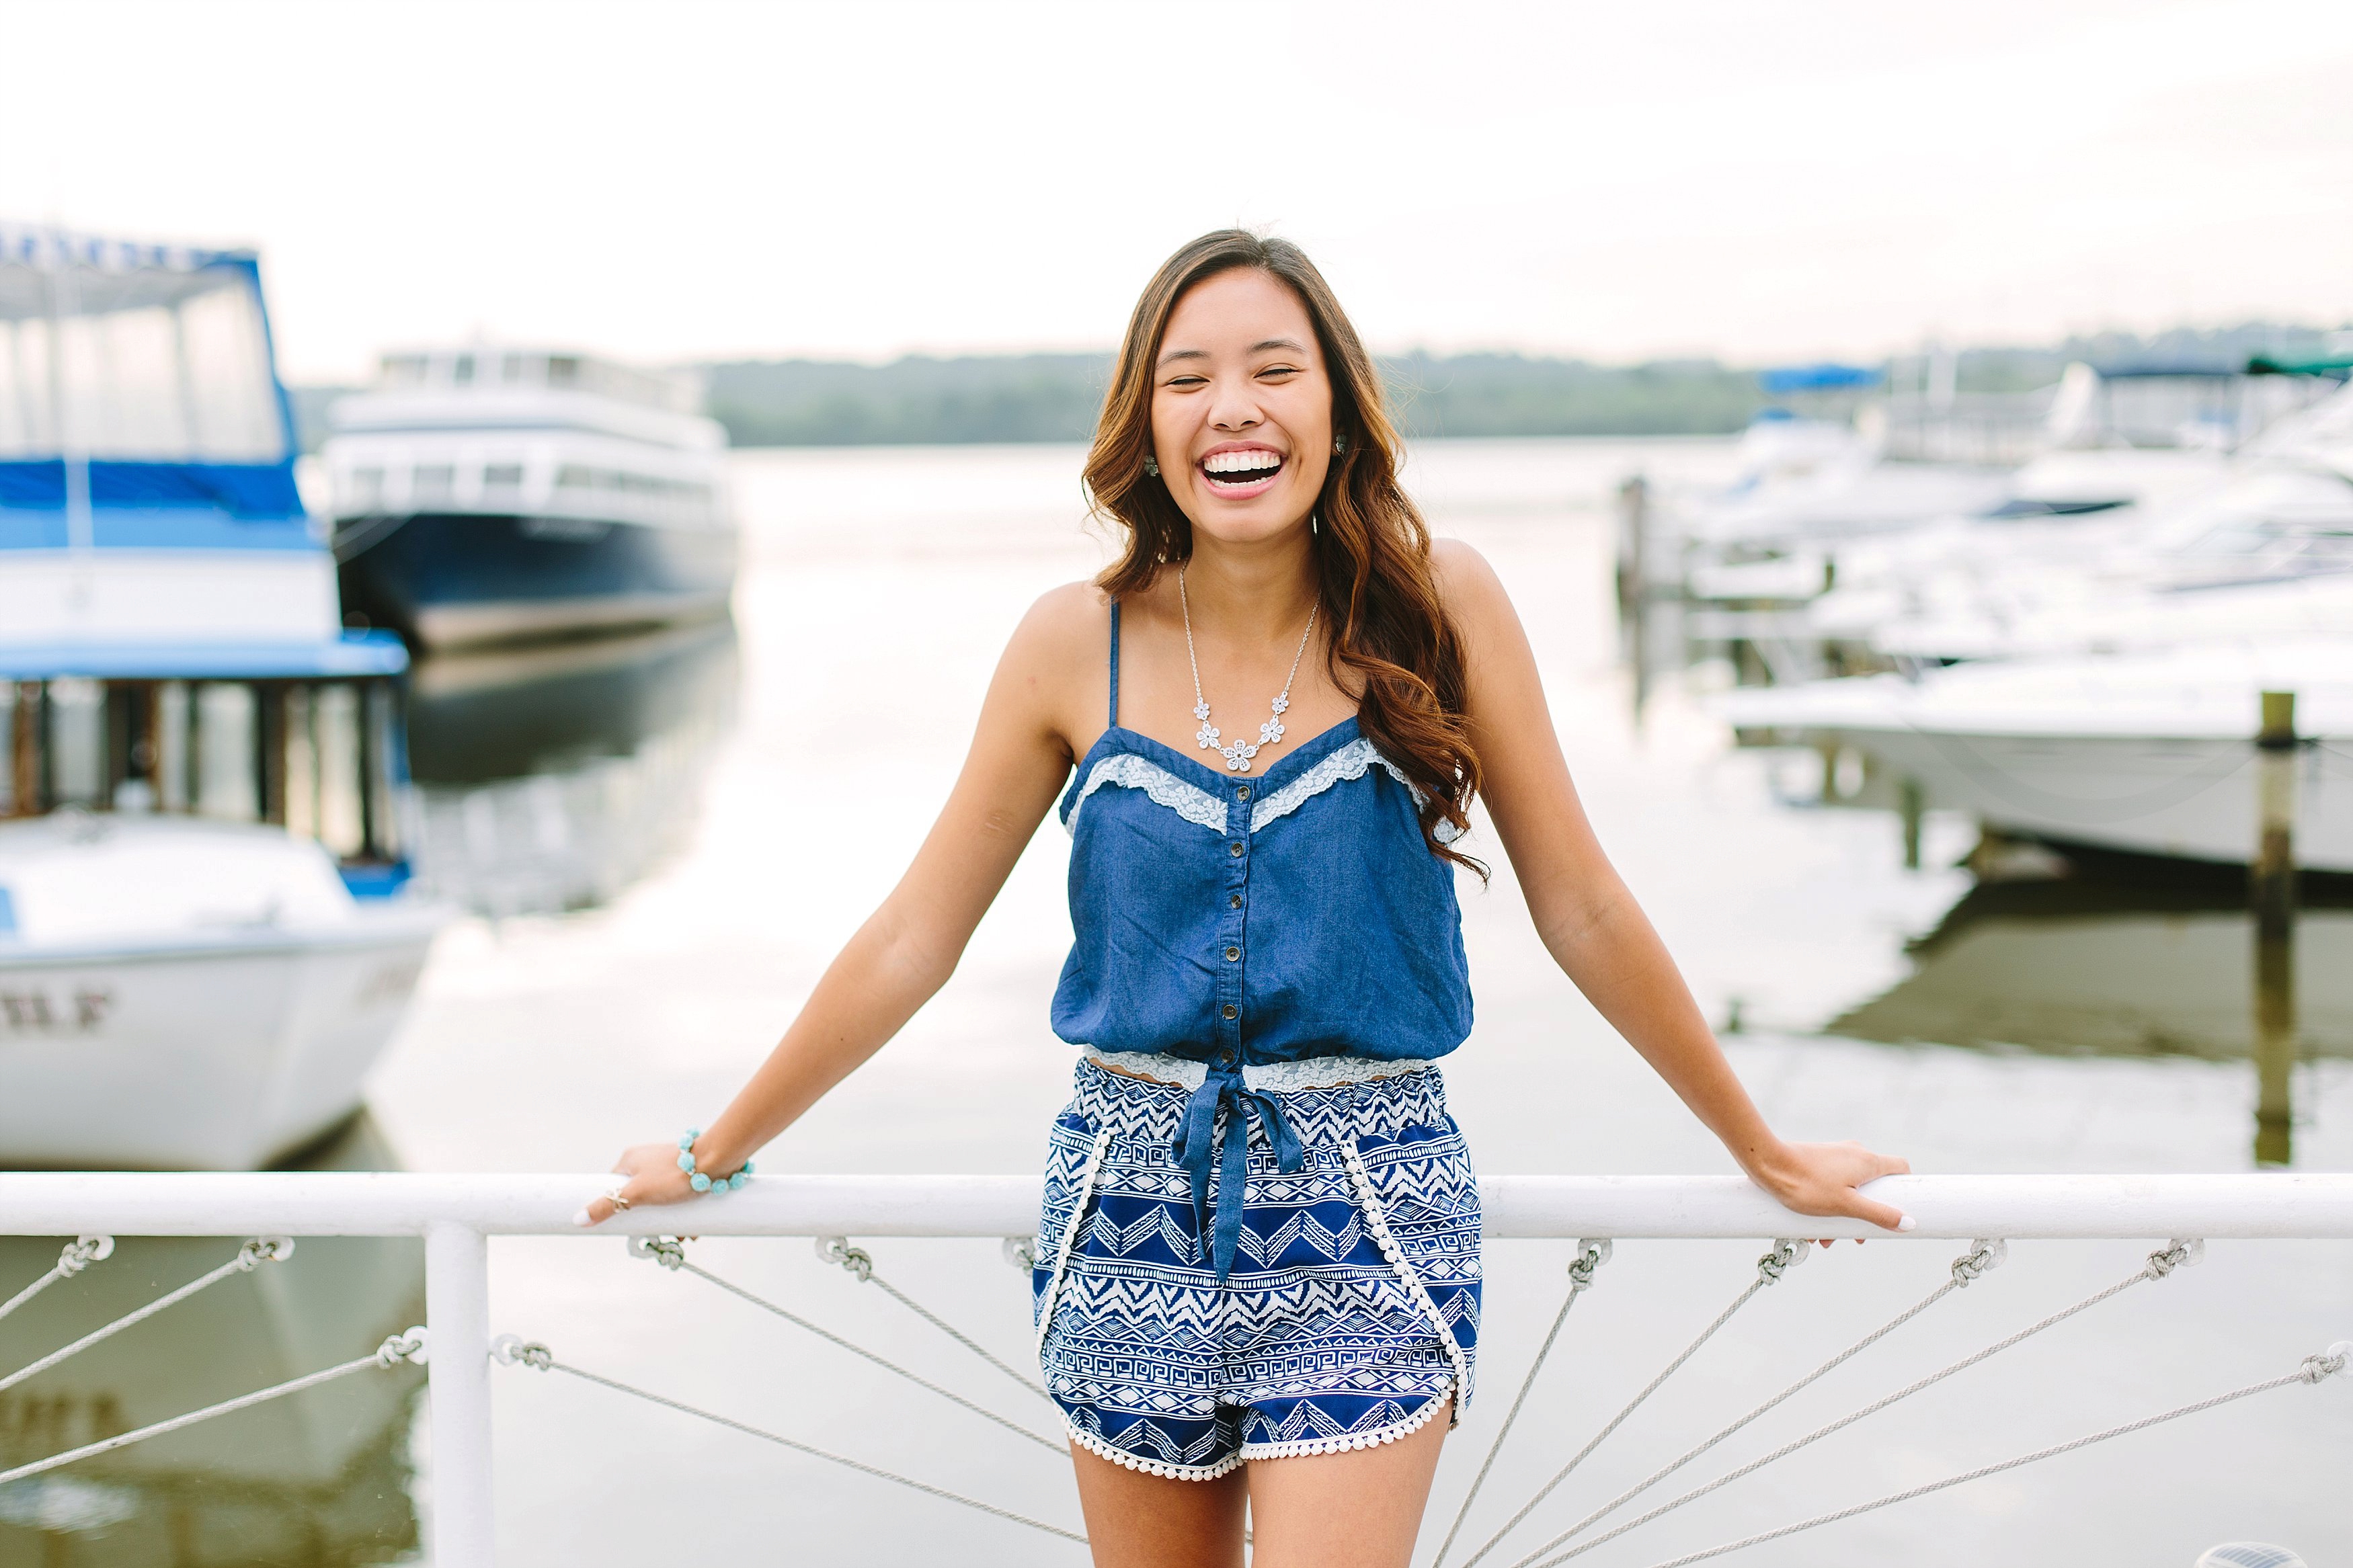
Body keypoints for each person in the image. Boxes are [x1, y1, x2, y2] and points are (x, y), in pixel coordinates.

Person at [583, 229, 1911, 1568]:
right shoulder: (1068, 641)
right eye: (1187, 378)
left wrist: (1762, 1146)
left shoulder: (1439, 606)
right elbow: (913, 936)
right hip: (1126, 1210)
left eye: (1274, 369)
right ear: (1145, 425)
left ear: (1335, 413)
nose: (1233, 406)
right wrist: (711, 1150)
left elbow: (1581, 906)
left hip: (1367, 1208)